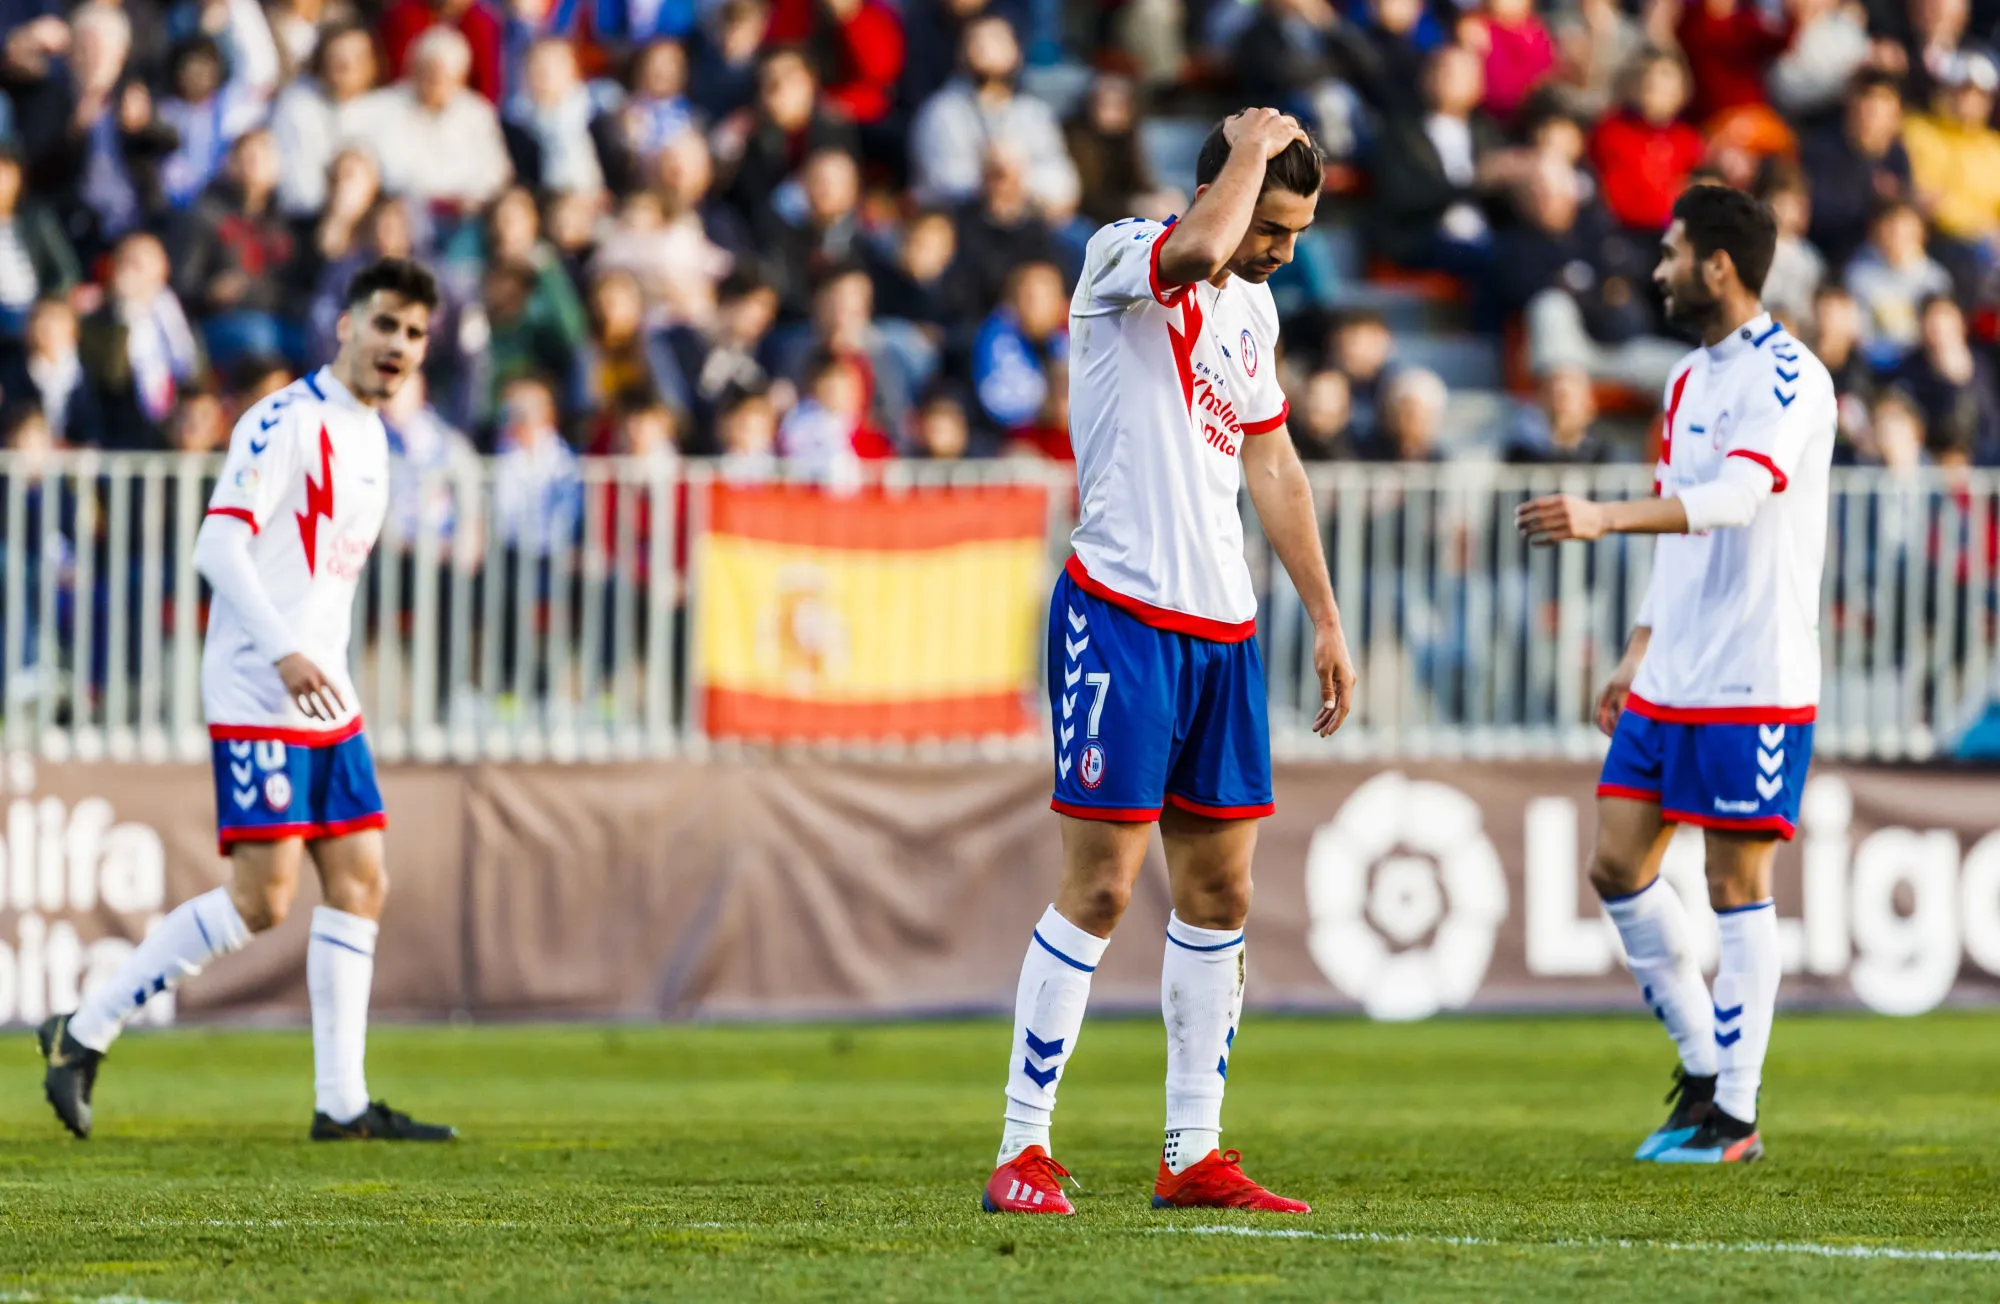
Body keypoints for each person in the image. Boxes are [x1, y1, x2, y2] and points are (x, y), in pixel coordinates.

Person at [982, 109, 1356, 1216]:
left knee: (1220, 886)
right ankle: (1021, 1146)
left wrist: (1323, 615)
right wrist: (1245, 151)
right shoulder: (1119, 258)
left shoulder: (1255, 306)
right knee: (1101, 884)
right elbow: (1197, 247)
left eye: (1296, 231)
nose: (1281, 250)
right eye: (1273, 227)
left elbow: (1272, 460)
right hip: (1120, 613)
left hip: (1221, 630)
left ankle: (1191, 1150)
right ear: (1225, 188)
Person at [38, 256, 457, 1144]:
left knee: (361, 878)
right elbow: (217, 552)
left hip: (323, 691)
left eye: (416, 334)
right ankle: (86, 1029)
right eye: (385, 324)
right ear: (345, 324)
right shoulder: (283, 420)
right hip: (259, 688)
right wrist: (287, 651)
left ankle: (341, 1103)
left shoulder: (376, 437)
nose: (399, 346)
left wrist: (320, 660)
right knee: (262, 902)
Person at [1515, 185, 1837, 1165]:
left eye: (1666, 252)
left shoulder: (1790, 378)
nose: (1652, 269)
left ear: (1715, 265)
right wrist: (1636, 645)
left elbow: (1734, 500)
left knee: (1734, 878)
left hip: (1753, 673)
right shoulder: (1685, 380)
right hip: (1673, 671)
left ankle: (1732, 1117)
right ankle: (1702, 1065)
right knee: (1615, 864)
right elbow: (1679, 527)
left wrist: (1602, 515)